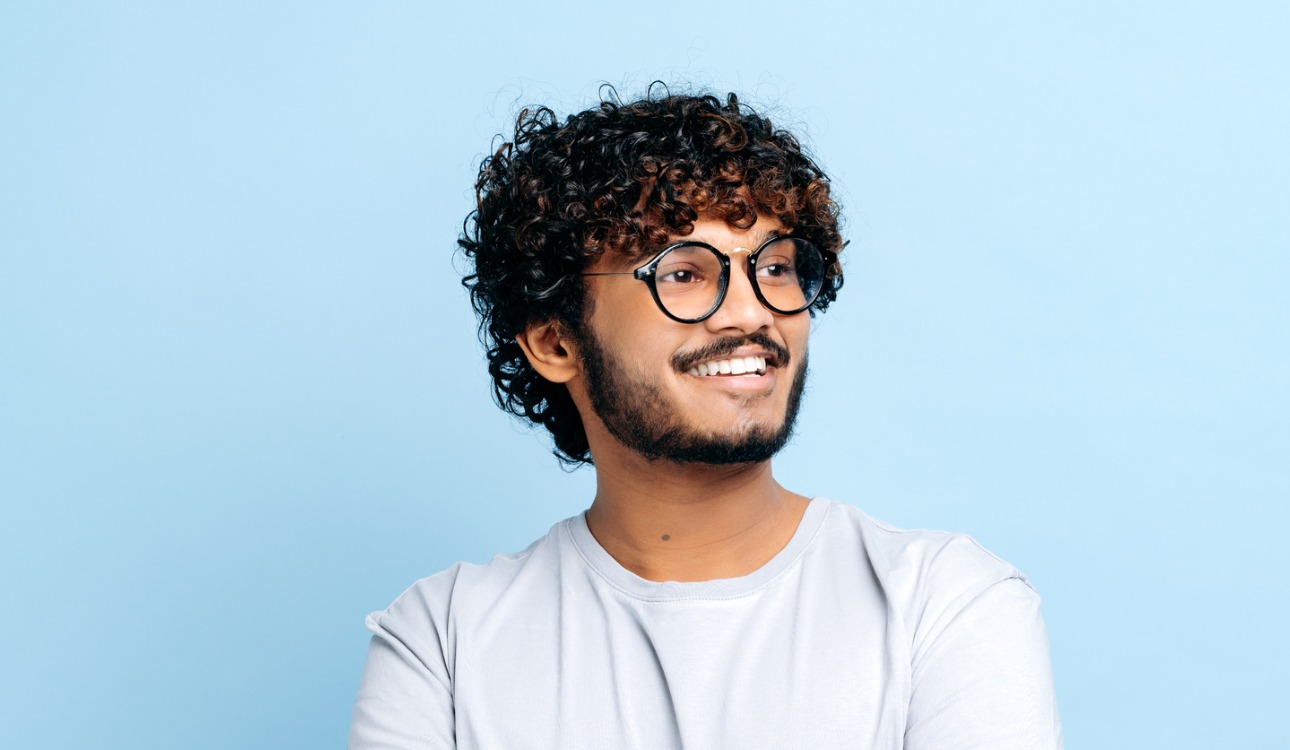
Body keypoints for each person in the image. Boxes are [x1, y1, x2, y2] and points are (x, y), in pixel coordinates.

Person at [347, 90, 1062, 749]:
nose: (753, 312)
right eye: (684, 272)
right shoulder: (443, 640)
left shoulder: (946, 606)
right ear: (556, 342)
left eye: (777, 267)